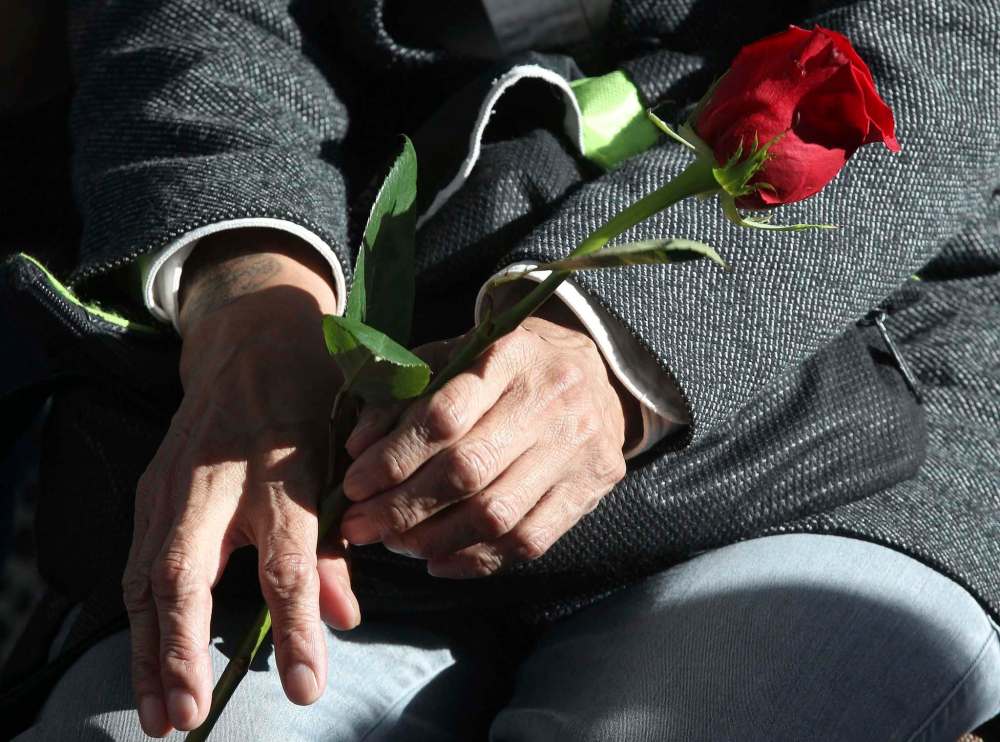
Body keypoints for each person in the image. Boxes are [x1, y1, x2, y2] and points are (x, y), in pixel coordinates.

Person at [2, 1, 999, 739]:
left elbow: (951, 43)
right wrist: (254, 303)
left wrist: (620, 339)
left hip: (852, 402)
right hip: (354, 371)